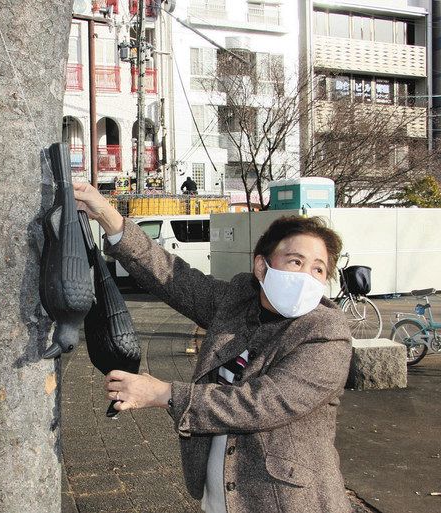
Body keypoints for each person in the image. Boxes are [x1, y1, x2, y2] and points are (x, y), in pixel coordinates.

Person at [73, 181, 353, 513]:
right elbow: (174, 278)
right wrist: (105, 214)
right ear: (261, 266)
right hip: (221, 495)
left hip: (286, 501)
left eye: (318, 269)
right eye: (295, 261)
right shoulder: (238, 302)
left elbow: (263, 403)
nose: (307, 275)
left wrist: (162, 393)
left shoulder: (327, 333)